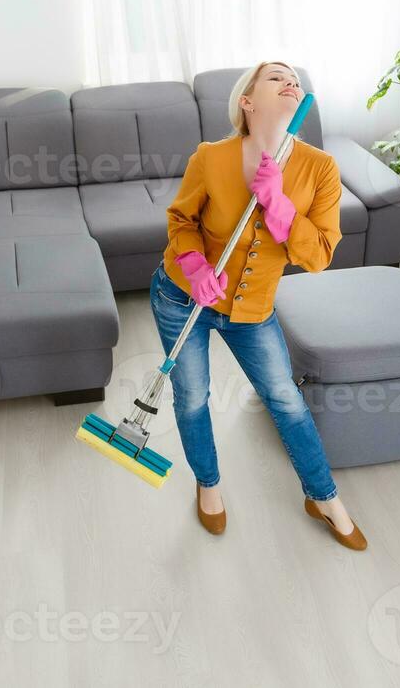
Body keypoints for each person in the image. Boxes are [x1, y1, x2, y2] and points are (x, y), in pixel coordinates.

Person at [150, 61, 366, 550]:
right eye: (275, 76)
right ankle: (208, 485)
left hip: (252, 311)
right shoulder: (211, 157)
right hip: (183, 297)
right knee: (193, 397)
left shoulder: (319, 168)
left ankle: (323, 496)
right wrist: (197, 266)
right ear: (247, 102)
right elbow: (181, 220)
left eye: (294, 77)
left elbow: (319, 256)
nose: (290, 80)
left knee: (286, 400)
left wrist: (280, 205)